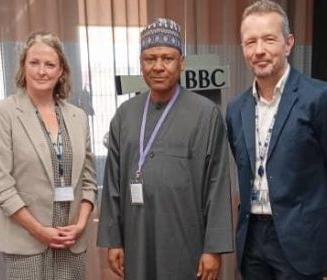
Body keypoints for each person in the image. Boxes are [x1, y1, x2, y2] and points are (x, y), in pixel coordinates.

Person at [225, 1, 327, 279]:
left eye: (269, 39)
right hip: (252, 239)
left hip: (303, 237)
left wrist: (316, 218)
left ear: (289, 43)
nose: (259, 50)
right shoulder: (236, 109)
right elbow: (245, 168)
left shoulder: (320, 98)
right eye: (250, 42)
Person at [97, 18, 233, 280]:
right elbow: (112, 182)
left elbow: (217, 184)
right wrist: (113, 240)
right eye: (150, 59)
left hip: (186, 240)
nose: (158, 66)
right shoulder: (125, 115)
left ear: (181, 63)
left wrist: (213, 249)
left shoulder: (207, 114)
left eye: (167, 58)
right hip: (137, 238)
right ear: (141, 63)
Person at [0, 31, 97, 280]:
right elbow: (0, 185)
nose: (41, 71)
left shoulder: (78, 117)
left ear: (61, 72)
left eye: (50, 64)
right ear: (24, 67)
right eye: (34, 63)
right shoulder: (3, 113)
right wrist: (40, 231)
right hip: (26, 243)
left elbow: (89, 181)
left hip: (70, 242)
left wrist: (80, 225)